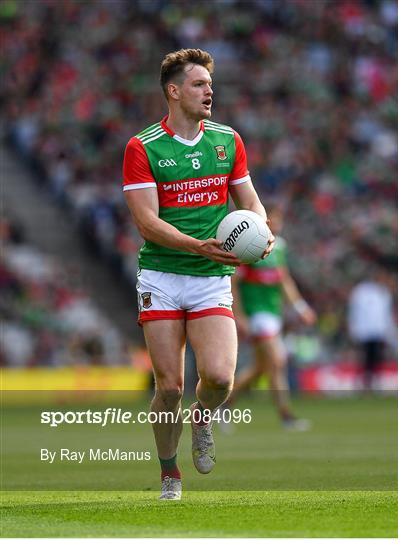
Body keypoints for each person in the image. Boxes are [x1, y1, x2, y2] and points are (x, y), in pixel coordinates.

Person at [122, 48, 274, 500]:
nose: (209, 90)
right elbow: (147, 222)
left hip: (210, 276)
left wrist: (262, 231)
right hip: (164, 277)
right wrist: (197, 245)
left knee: (220, 379)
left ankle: (204, 417)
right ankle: (170, 472)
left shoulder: (228, 140)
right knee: (169, 387)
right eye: (198, 84)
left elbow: (250, 202)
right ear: (173, 91)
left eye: (210, 84)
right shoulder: (143, 146)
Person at [229, 204, 317, 429]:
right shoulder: (247, 244)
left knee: (261, 368)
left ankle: (223, 405)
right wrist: (239, 315)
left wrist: (300, 307)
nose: (276, 224)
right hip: (256, 313)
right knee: (277, 361)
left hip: (273, 312)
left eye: (278, 220)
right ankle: (286, 416)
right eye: (272, 220)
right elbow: (234, 283)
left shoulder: (279, 247)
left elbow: (284, 279)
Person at [348, 267, 395, 391]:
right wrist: (353, 327)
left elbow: (387, 314)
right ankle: (363, 382)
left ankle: (374, 381)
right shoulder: (361, 291)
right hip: (364, 330)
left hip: (379, 331)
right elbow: (354, 311)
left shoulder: (384, 292)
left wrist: (389, 330)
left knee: (377, 357)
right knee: (364, 358)